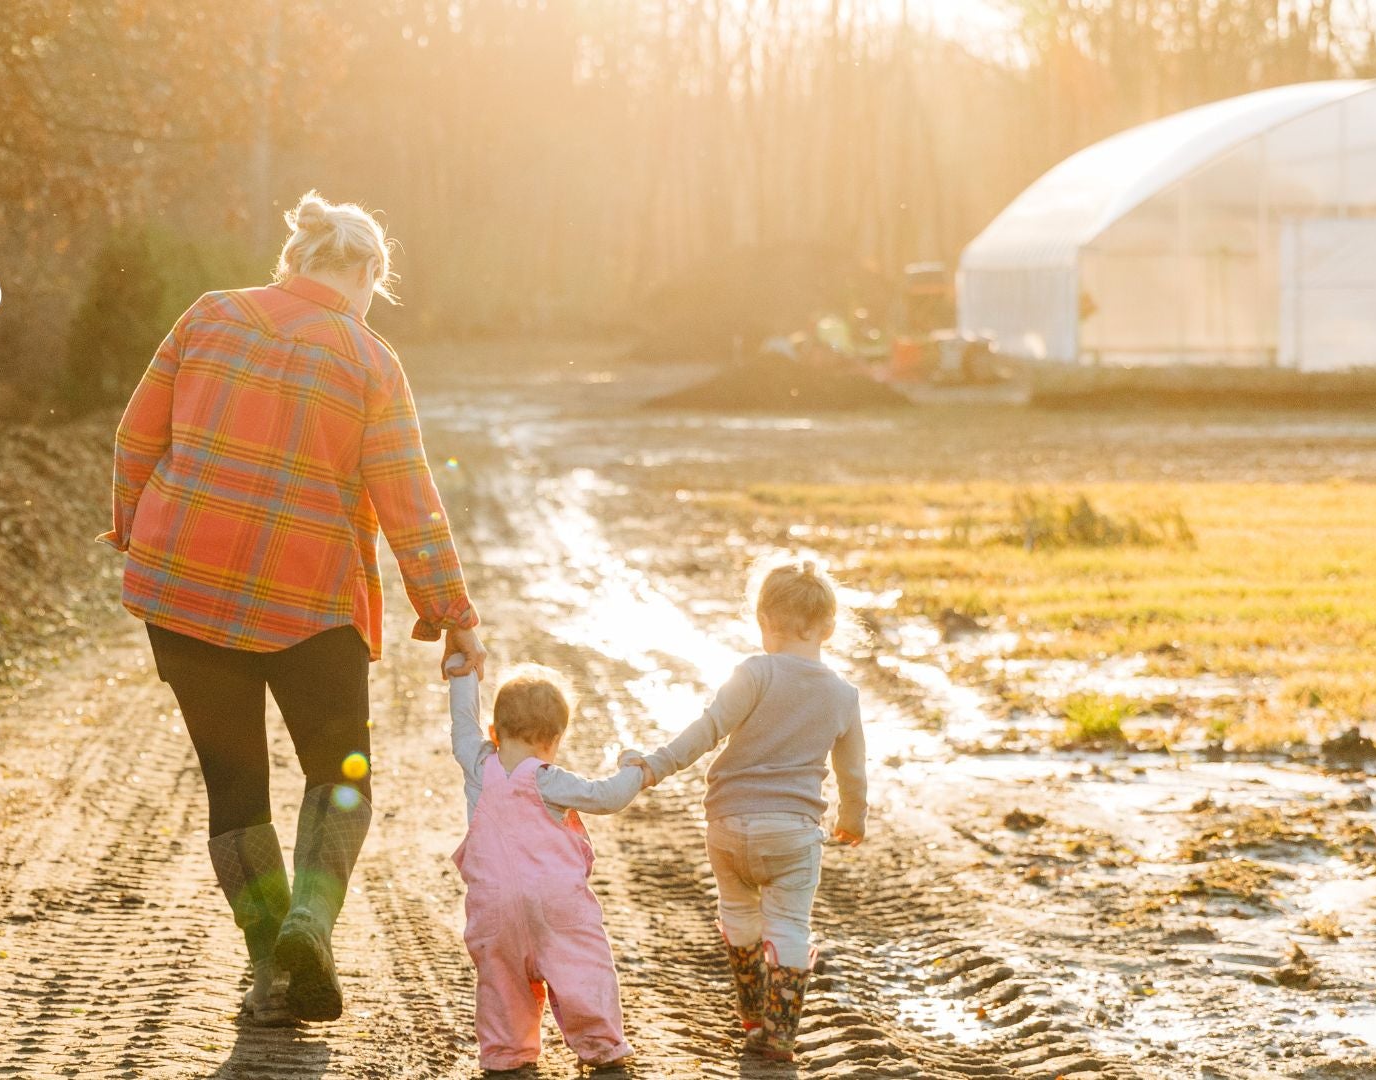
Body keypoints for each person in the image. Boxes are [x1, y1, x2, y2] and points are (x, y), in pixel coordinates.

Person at [100, 191, 486, 1025]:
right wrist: (450, 608)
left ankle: (270, 970)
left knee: (233, 789)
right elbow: (406, 499)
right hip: (309, 599)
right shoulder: (369, 359)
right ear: (367, 275)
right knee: (340, 773)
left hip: (185, 590)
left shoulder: (206, 317)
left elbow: (137, 438)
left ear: (297, 259)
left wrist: (135, 523)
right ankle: (309, 922)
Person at [622, 558, 866, 1061]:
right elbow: (852, 773)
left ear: (762, 621)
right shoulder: (843, 695)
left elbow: (706, 730)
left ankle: (752, 1014)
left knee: (738, 915)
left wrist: (654, 766)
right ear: (829, 626)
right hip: (794, 835)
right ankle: (779, 1032)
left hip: (728, 827)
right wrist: (851, 819)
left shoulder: (754, 672)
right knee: (790, 925)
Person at [446, 658, 644, 1072]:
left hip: (493, 908)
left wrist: (463, 672)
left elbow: (462, 721)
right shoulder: (548, 779)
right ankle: (603, 1049)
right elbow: (606, 796)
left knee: (502, 982)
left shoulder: (479, 766)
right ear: (553, 741)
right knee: (583, 972)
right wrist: (634, 770)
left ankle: (506, 1056)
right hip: (558, 906)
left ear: (494, 732)